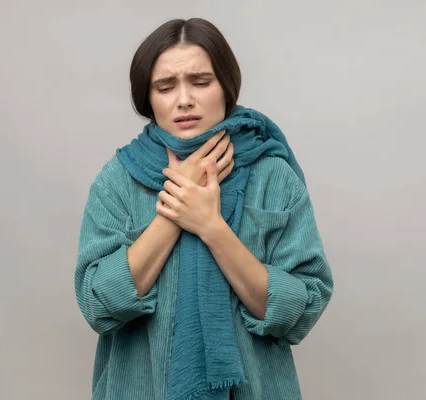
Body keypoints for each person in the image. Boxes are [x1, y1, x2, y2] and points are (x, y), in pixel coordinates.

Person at [74, 18, 334, 400]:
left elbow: (301, 310)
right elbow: (97, 304)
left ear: (226, 88)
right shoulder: (119, 180)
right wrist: (176, 211)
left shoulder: (272, 175)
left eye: (200, 82)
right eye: (166, 86)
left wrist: (211, 227)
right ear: (148, 98)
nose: (184, 100)